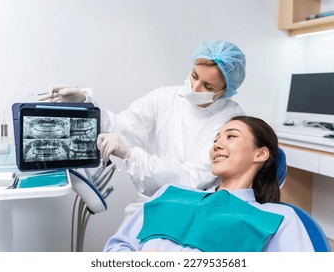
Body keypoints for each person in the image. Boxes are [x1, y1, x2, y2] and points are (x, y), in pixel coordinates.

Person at [38, 40, 246, 214]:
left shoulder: (231, 122)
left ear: (226, 90)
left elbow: (194, 178)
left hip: (195, 208)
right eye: (194, 76)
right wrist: (84, 103)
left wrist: (131, 156)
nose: (195, 88)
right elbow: (121, 126)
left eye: (208, 86)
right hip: (150, 202)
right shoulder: (166, 98)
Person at [103, 116, 314, 252]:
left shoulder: (277, 218)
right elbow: (117, 247)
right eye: (215, 140)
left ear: (260, 153)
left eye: (231, 136)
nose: (217, 145)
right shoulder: (168, 194)